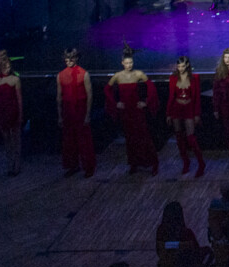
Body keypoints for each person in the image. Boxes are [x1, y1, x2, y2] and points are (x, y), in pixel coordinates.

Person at [105, 45, 159, 176]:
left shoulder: (138, 74)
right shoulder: (117, 76)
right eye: (127, 63)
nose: (129, 65)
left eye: (131, 63)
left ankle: (153, 164)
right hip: (126, 111)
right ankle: (134, 163)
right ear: (122, 63)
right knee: (130, 138)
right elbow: (107, 89)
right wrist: (116, 103)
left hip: (137, 110)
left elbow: (151, 87)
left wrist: (146, 102)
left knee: (144, 136)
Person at [56, 48, 96, 178]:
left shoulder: (84, 74)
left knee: (84, 140)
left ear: (76, 58)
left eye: (71, 58)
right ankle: (73, 165)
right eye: (66, 59)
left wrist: (87, 114)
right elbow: (59, 97)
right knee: (69, 140)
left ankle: (88, 167)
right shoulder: (61, 75)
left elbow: (89, 95)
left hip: (80, 109)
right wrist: (60, 115)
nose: (68, 61)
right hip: (68, 110)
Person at [167, 56, 206, 178]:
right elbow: (171, 96)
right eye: (179, 66)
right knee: (179, 137)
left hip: (189, 108)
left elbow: (197, 98)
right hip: (177, 108)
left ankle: (201, 163)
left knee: (191, 138)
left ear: (187, 65)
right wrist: (168, 113)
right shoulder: (173, 78)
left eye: (183, 66)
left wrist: (196, 114)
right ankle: (186, 162)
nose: (180, 68)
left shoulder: (194, 78)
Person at [0, 49, 22, 176]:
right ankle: (10, 164)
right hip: (1, 112)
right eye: (5, 67)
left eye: (9, 66)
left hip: (12, 111)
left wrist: (20, 114)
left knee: (15, 139)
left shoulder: (15, 79)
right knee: (7, 140)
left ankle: (16, 165)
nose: (7, 69)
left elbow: (19, 99)